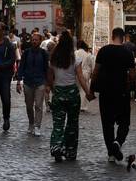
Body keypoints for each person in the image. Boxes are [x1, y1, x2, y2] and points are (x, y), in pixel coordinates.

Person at [91, 27, 135, 162]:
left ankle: (111, 152)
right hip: (121, 91)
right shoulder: (128, 53)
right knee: (124, 122)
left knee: (107, 123)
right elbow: (133, 75)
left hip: (105, 91)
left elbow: (96, 71)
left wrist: (91, 89)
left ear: (112, 36)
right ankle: (117, 143)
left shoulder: (103, 51)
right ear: (123, 37)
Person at [47, 30, 90, 161]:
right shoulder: (75, 59)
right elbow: (81, 77)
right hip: (72, 93)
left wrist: (53, 90)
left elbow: (49, 76)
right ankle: (70, 151)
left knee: (58, 123)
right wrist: (88, 92)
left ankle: (56, 146)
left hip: (59, 92)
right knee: (72, 124)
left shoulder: (53, 58)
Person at [16, 30, 50, 136]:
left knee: (39, 106)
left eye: (36, 40)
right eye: (33, 40)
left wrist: (48, 84)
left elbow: (47, 69)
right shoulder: (26, 53)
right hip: (28, 82)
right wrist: (18, 81)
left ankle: (37, 126)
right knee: (29, 106)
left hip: (40, 82)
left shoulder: (44, 54)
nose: (34, 41)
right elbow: (21, 67)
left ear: (40, 41)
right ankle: (31, 123)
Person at [76, 39, 96, 114]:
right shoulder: (88, 55)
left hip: (76, 73)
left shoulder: (75, 53)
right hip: (85, 73)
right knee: (84, 89)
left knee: (76, 88)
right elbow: (93, 66)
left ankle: (76, 104)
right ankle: (82, 106)